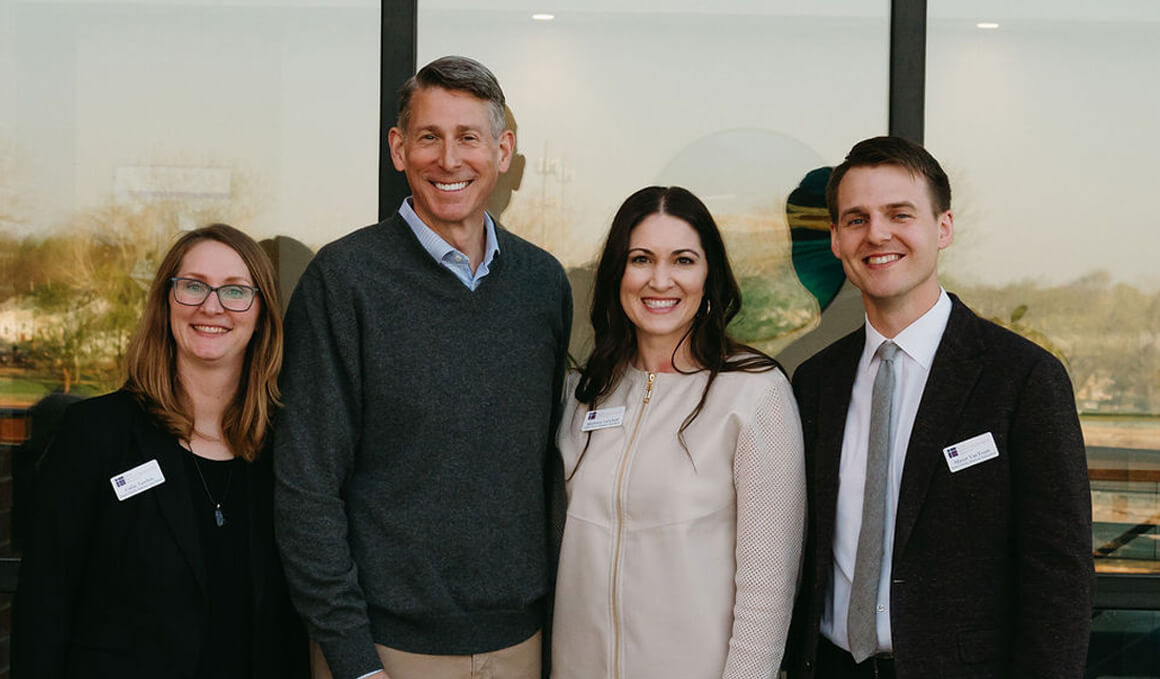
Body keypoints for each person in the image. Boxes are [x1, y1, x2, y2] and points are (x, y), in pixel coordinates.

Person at [274, 55, 572, 679]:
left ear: (503, 150)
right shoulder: (344, 280)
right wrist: (353, 658)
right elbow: (307, 487)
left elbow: (544, 466)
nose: (449, 158)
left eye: (469, 137)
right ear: (398, 148)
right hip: (383, 647)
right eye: (429, 137)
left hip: (519, 640)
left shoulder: (542, 283)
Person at [788, 136, 1092, 678]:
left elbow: (1058, 575)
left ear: (943, 227)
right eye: (856, 220)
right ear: (835, 239)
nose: (877, 234)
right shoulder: (814, 383)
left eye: (899, 214)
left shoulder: (1022, 378)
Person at [13, 223, 308, 679]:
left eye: (235, 291)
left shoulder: (288, 444)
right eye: (193, 286)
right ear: (165, 302)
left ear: (262, 312)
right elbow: (44, 602)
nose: (212, 306)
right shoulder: (95, 434)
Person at [552, 185, 805, 678]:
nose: (660, 280)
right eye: (641, 259)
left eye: (683, 260)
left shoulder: (755, 394)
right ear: (617, 274)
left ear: (709, 275)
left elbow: (767, 593)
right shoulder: (582, 394)